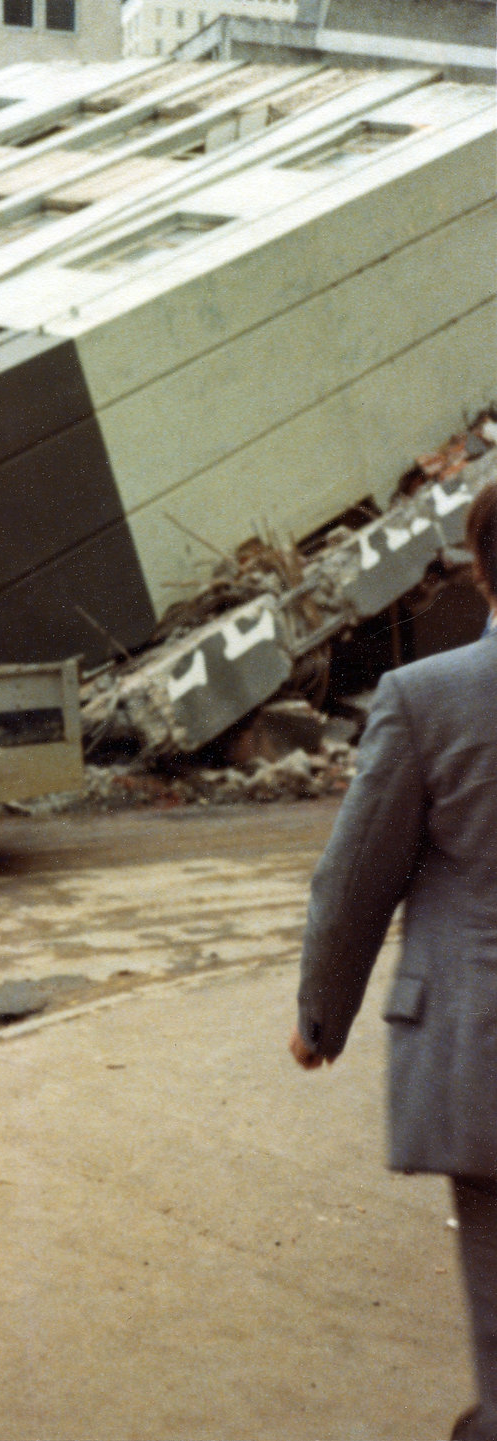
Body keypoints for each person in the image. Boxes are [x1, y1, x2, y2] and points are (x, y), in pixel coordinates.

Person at [290, 478, 497, 1441]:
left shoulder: (427, 697)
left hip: (481, 1053)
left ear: (481, 574)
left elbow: (355, 877)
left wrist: (319, 1017)